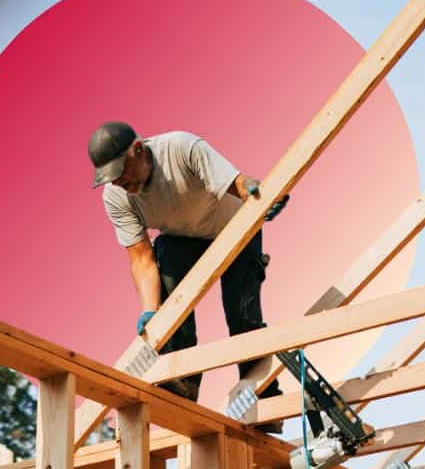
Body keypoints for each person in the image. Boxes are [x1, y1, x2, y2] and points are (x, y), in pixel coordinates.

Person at [88, 120, 289, 412]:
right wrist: (151, 311)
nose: (118, 182)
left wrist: (261, 195)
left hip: (234, 228)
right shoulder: (116, 196)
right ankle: (181, 382)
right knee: (167, 280)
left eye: (120, 172)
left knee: (241, 314)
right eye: (110, 177)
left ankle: (260, 397)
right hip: (182, 239)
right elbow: (141, 257)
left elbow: (238, 184)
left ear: (139, 150)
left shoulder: (181, 148)